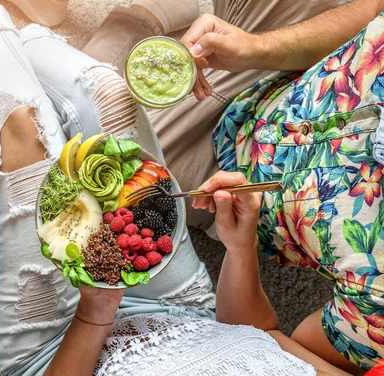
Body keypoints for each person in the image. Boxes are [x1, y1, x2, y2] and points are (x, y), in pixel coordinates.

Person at [0, 0, 369, 374]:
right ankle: (15, 31)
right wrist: (240, 246)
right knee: (109, 92)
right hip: (180, 305)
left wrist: (96, 310)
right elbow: (262, 336)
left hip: (55, 346)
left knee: (24, 130)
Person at [83, 0, 384, 373]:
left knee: (92, 107)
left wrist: (240, 250)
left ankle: (162, 18)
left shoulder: (379, 306)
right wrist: (256, 49)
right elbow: (374, 10)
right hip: (284, 69)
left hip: (223, 176)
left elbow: (264, 347)